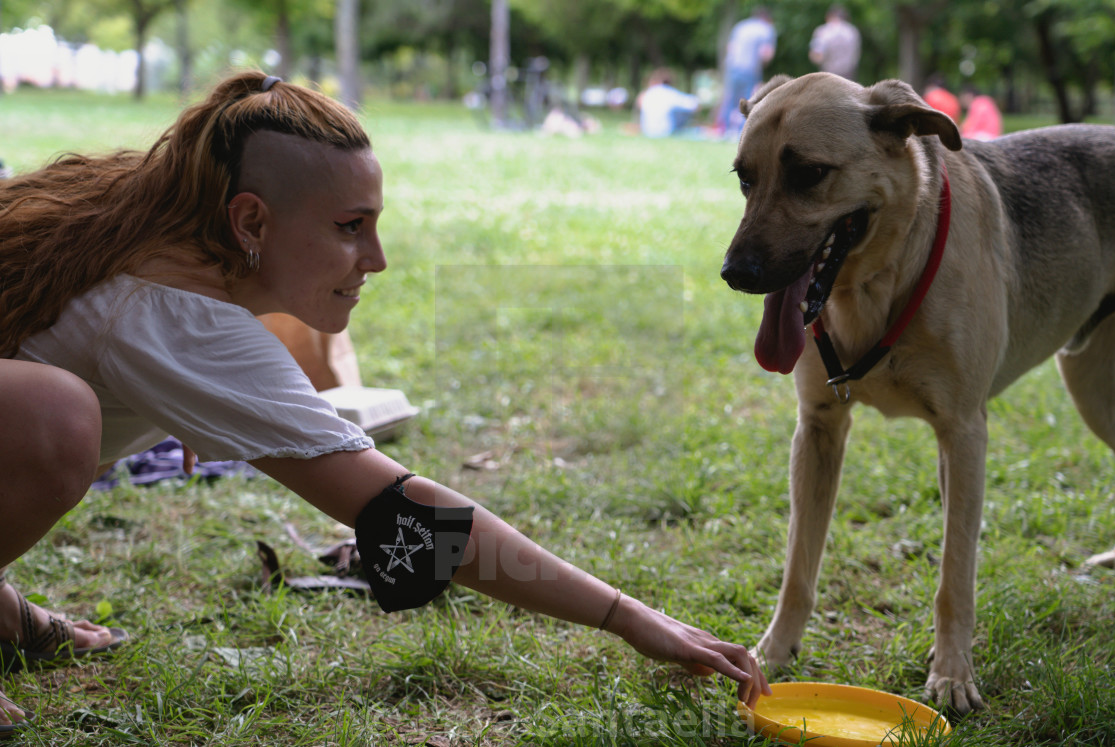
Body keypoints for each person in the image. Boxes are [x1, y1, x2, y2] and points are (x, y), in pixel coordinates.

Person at [0, 71, 770, 732]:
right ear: (250, 221)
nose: (377, 258)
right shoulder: (175, 310)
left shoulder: (163, 226)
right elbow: (402, 513)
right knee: (54, 415)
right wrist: (628, 616)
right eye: (349, 228)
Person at [716, 6, 776, 136]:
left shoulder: (740, 26)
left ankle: (724, 130)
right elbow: (766, 53)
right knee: (749, 100)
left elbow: (730, 47)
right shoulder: (766, 29)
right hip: (750, 69)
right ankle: (742, 133)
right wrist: (764, 64)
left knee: (731, 98)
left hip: (733, 67)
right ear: (767, 18)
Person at [637, 68, 701, 138]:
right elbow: (694, 104)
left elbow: (640, 103)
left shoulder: (646, 94)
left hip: (647, 131)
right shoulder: (670, 93)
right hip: (666, 132)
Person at [808, 5, 861, 81]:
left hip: (829, 77)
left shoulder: (823, 31)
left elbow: (817, 56)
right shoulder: (853, 31)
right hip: (849, 76)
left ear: (828, 16)